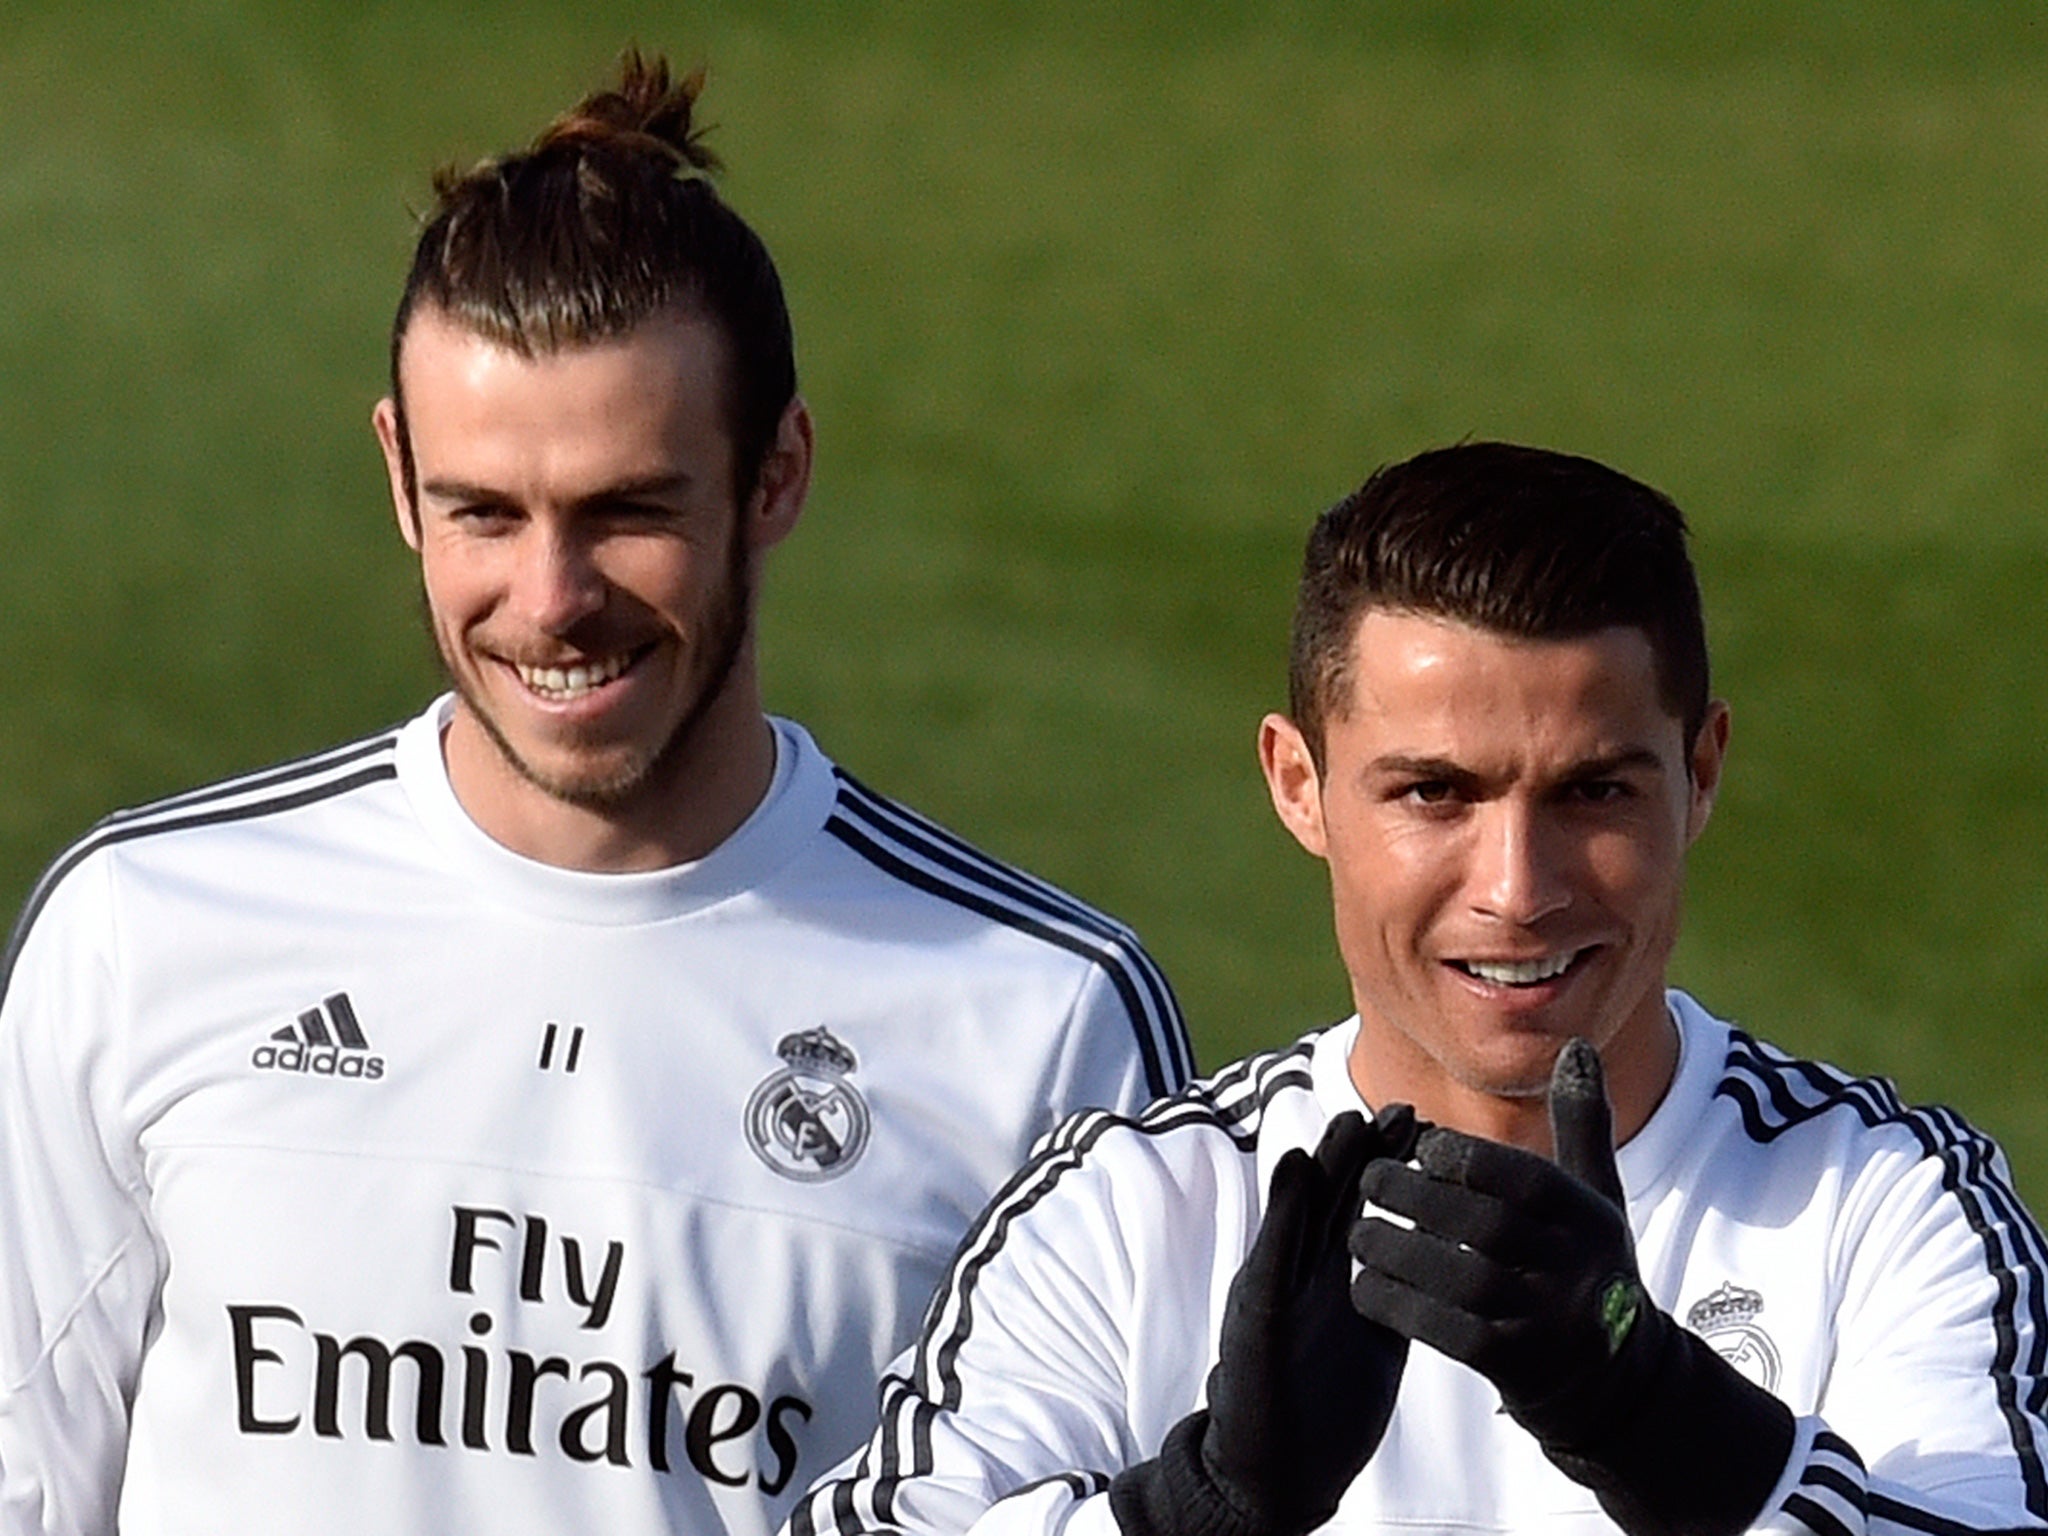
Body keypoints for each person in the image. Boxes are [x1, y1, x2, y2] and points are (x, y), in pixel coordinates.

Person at [0, 52, 1192, 1536]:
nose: (550, 600)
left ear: (777, 474)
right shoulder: (144, 935)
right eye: (482, 512)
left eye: (628, 511)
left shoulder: (1038, 1022)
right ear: (398, 472)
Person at [788, 442, 2048, 1536]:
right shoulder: (1130, 1216)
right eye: (1432, 793)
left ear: (1700, 774)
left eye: (1593, 791)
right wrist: (1197, 1509)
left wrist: (1660, 1418)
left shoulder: (1885, 1207)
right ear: (1298, 785)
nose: (1516, 889)